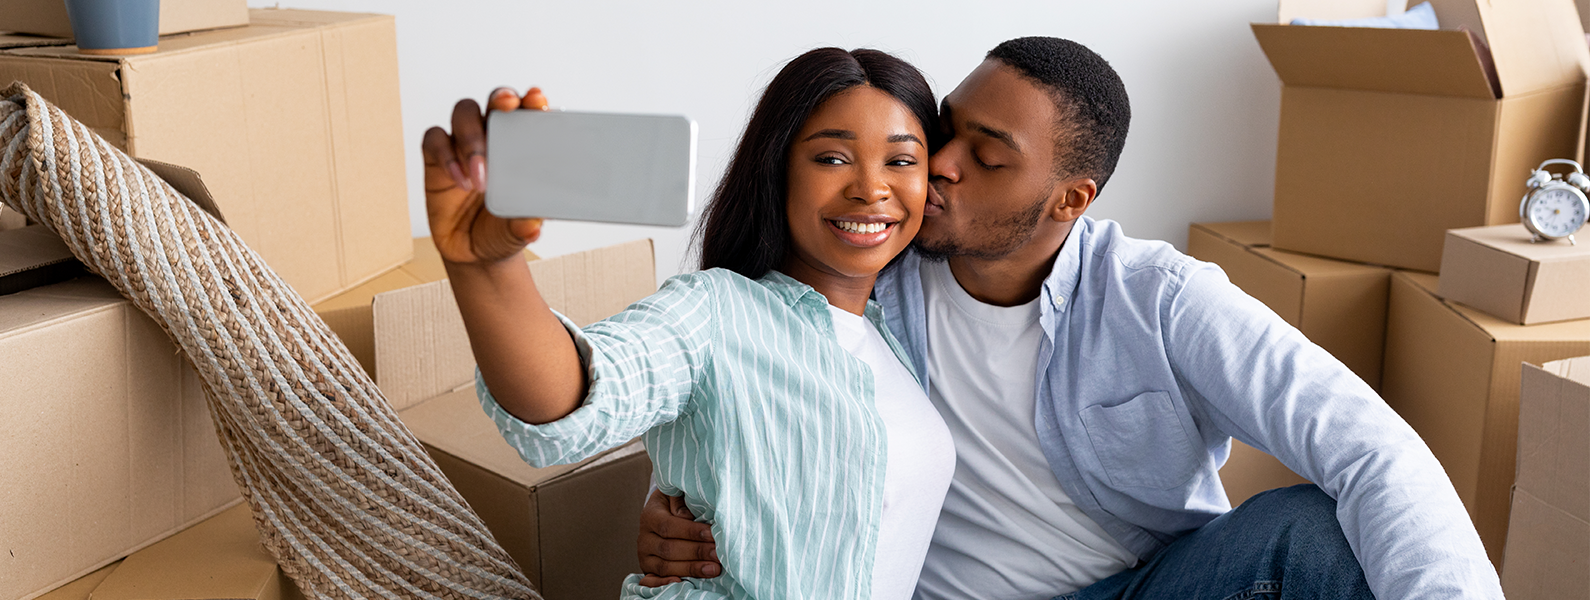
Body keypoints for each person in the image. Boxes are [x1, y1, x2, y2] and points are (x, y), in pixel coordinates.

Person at [637, 37, 1505, 599]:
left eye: (986, 157)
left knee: (1313, 530)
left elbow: (1367, 444)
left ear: (1070, 199)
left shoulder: (1158, 298)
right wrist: (676, 507)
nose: (936, 167)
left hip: (1139, 592)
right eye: (946, 134)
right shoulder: (869, 265)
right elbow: (740, 372)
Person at [424, 47, 958, 599]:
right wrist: (488, 267)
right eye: (831, 158)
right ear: (776, 171)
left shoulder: (892, 338)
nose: (870, 188)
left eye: (900, 161)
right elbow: (573, 397)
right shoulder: (715, 310)